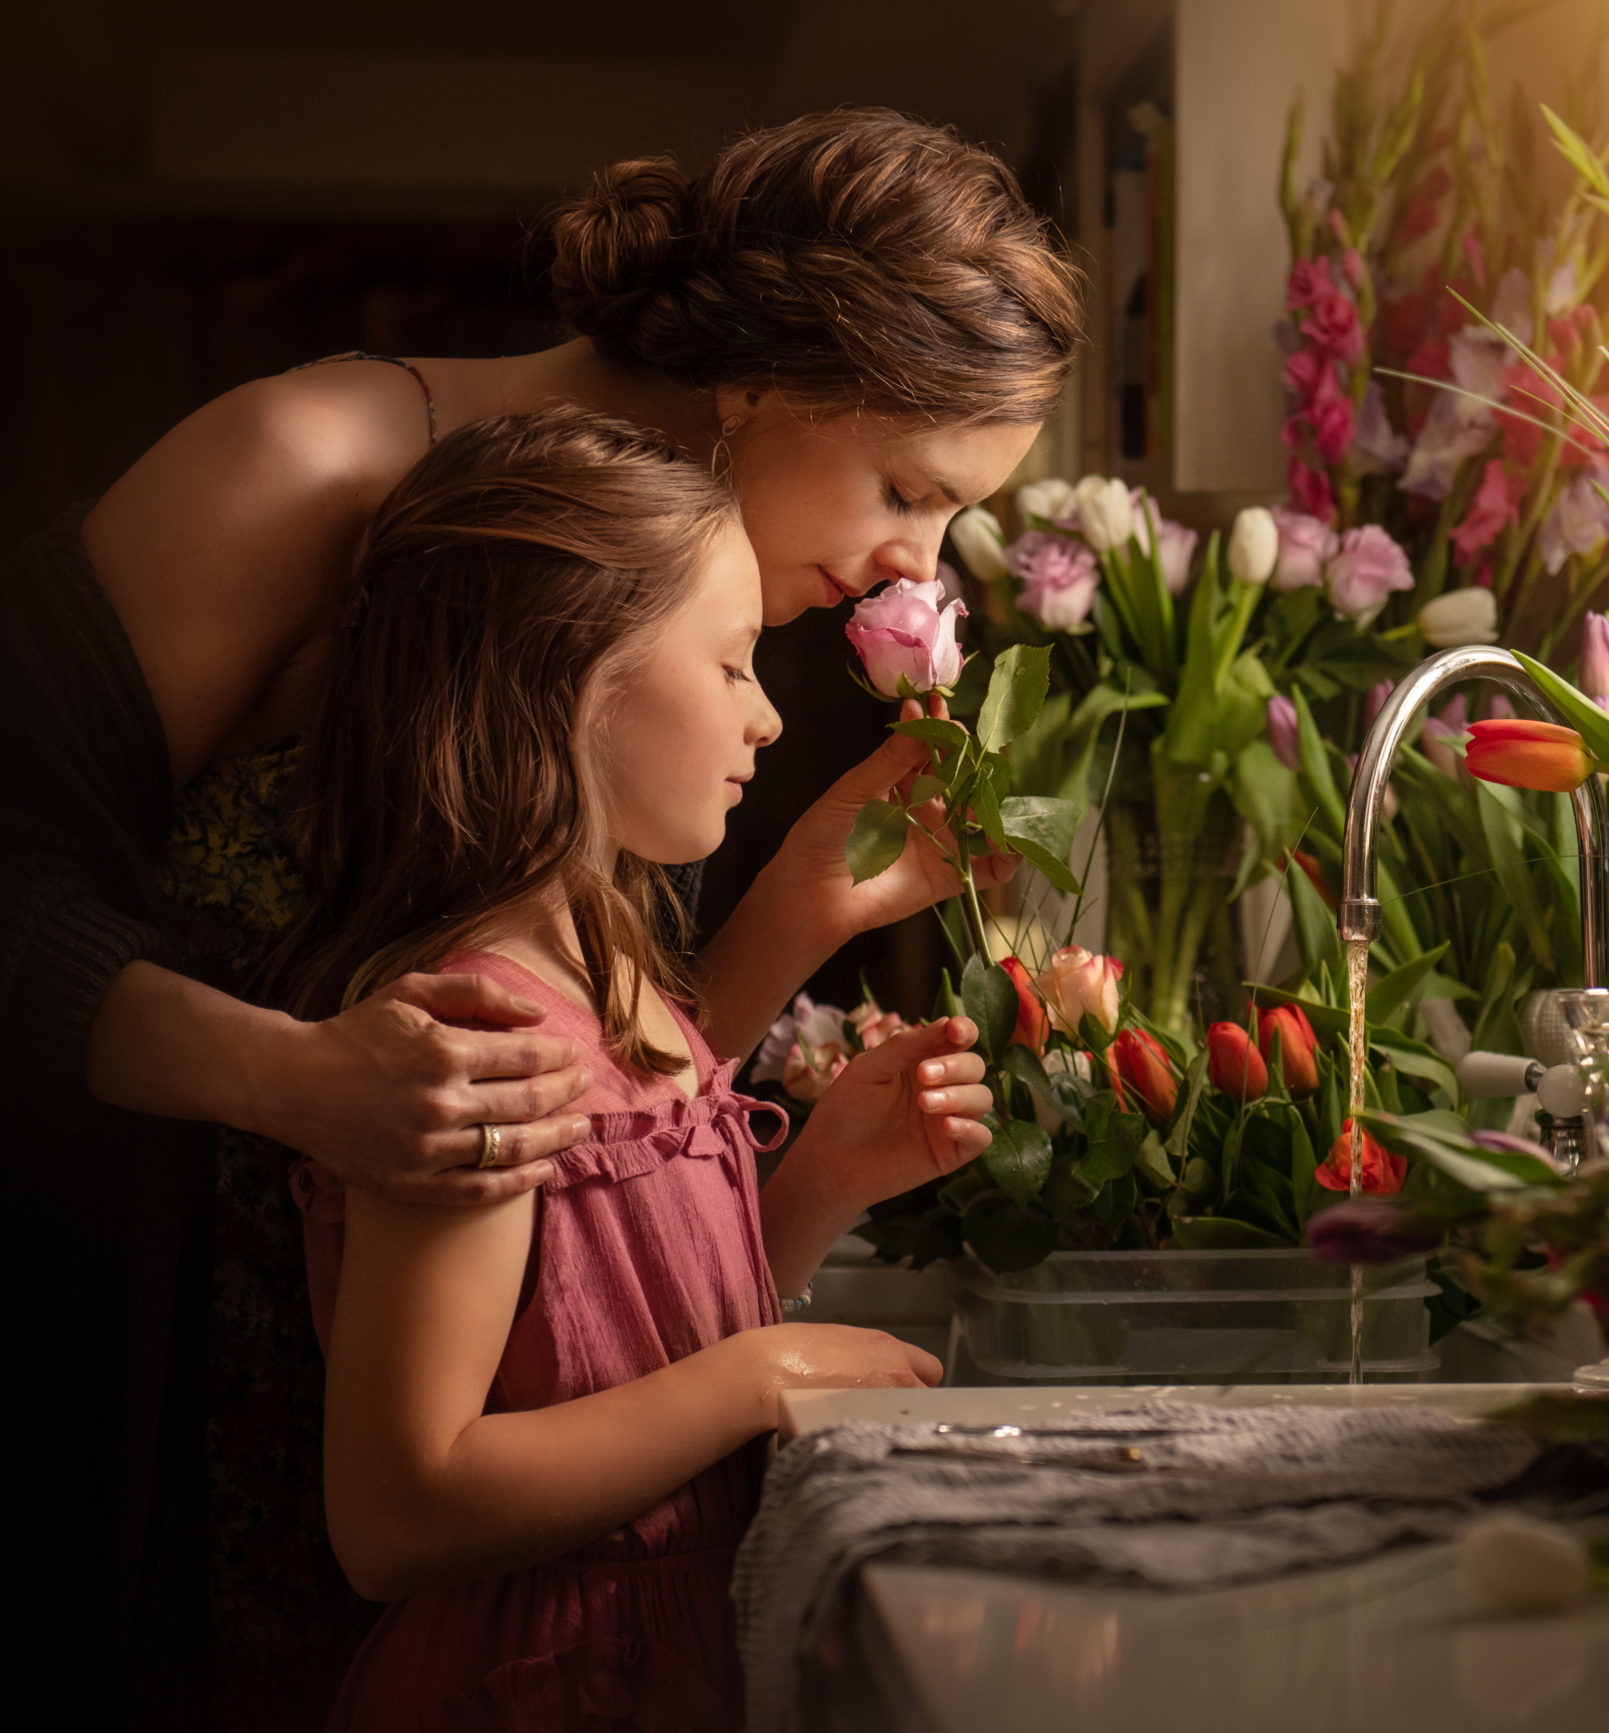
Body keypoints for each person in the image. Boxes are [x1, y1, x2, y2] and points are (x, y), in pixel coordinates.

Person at [0, 107, 1079, 1724]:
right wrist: (286, 1077)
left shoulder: (683, 618)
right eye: (907, 489)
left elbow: (574, 1151)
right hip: (136, 1410)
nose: (904, 571)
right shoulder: (307, 473)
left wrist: (790, 923)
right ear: (771, 374)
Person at [281, 404, 988, 1729]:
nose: (770, 718)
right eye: (731, 666)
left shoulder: (620, 996)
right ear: (571, 681)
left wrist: (823, 1178)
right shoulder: (482, 1038)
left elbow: (611, 1354)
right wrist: (755, 1378)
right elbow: (395, 1507)